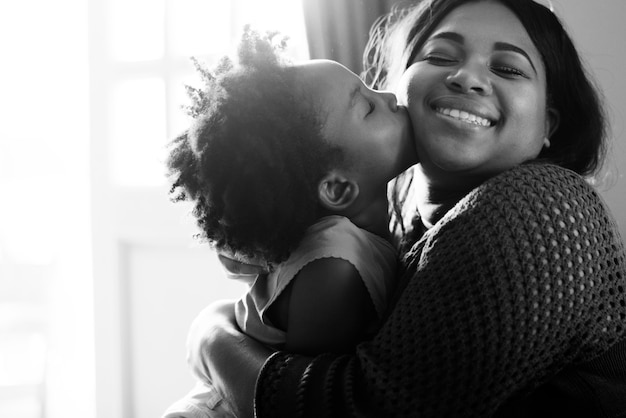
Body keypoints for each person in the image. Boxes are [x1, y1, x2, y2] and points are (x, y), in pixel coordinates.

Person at [184, 0, 626, 417]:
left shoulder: (540, 207)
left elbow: (360, 409)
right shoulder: (404, 228)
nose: (466, 78)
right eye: (440, 56)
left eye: (508, 68)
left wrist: (211, 336)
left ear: (548, 124)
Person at [162, 27, 416, 417]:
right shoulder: (336, 265)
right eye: (367, 107)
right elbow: (301, 400)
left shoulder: (360, 233)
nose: (389, 96)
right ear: (337, 188)